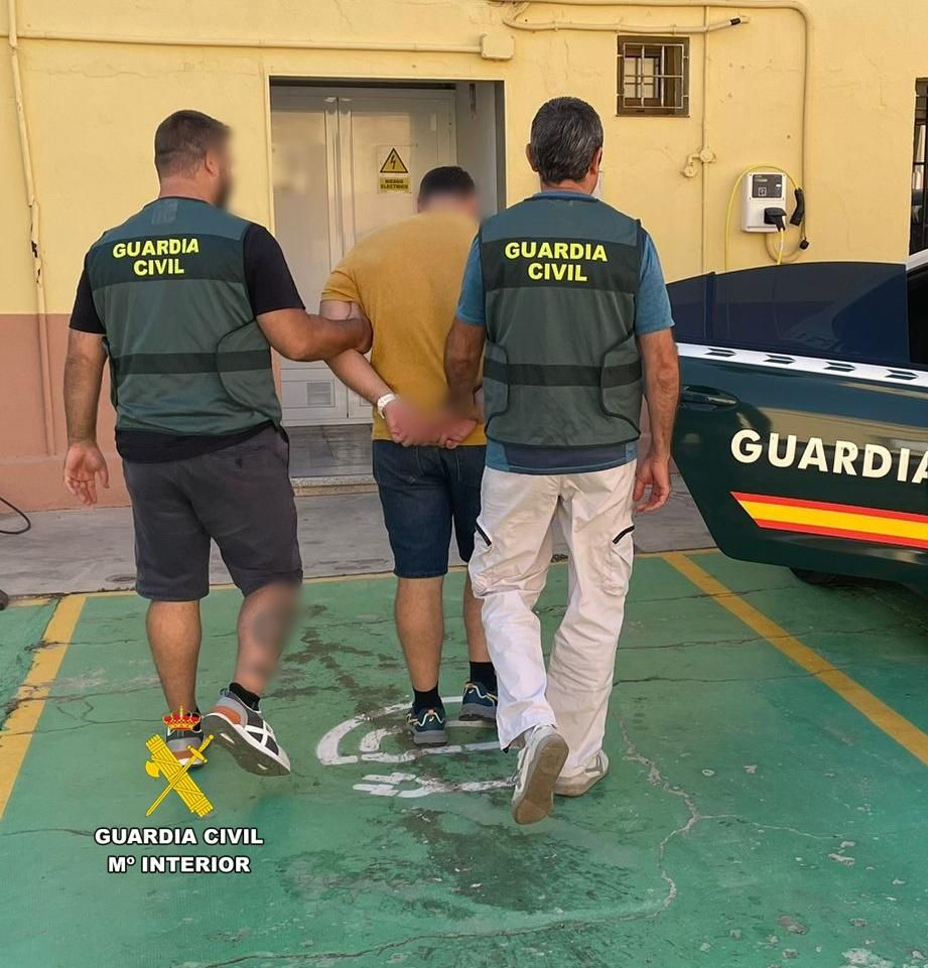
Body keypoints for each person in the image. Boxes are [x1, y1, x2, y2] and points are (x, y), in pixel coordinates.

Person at [61, 109, 372, 775]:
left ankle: (181, 733)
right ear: (206, 162)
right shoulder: (242, 240)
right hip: (236, 446)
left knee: (171, 591)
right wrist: (352, 332)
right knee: (276, 580)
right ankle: (238, 703)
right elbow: (295, 338)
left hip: (147, 451)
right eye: (224, 162)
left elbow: (84, 358)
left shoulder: (105, 250)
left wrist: (81, 439)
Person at [444, 96, 680, 825]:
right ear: (597, 161)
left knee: (505, 588)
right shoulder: (631, 242)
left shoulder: (495, 239)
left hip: (516, 452)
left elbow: (460, 349)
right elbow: (662, 365)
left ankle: (529, 720)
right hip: (605, 453)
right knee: (597, 601)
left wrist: (468, 405)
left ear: (532, 160)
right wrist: (658, 451)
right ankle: (573, 760)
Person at [319, 165, 495, 745]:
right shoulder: (494, 247)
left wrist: (390, 400)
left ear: (420, 204)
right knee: (487, 571)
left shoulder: (364, 256)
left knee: (417, 576)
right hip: (484, 442)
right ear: (469, 204)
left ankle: (424, 709)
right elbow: (521, 345)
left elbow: (333, 341)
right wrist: (470, 409)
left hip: (401, 444)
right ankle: (482, 687)